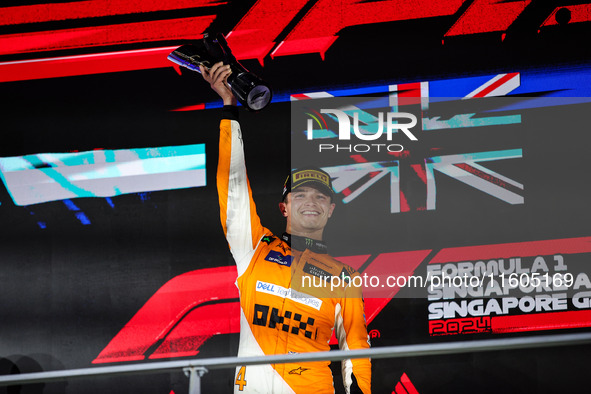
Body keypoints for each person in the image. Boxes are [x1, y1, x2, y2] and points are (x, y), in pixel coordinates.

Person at [200, 62, 371, 393]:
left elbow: (356, 351)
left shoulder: (344, 276)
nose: (311, 200)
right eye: (301, 194)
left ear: (330, 209)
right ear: (284, 207)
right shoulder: (255, 248)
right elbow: (232, 187)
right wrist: (229, 110)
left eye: (320, 196)